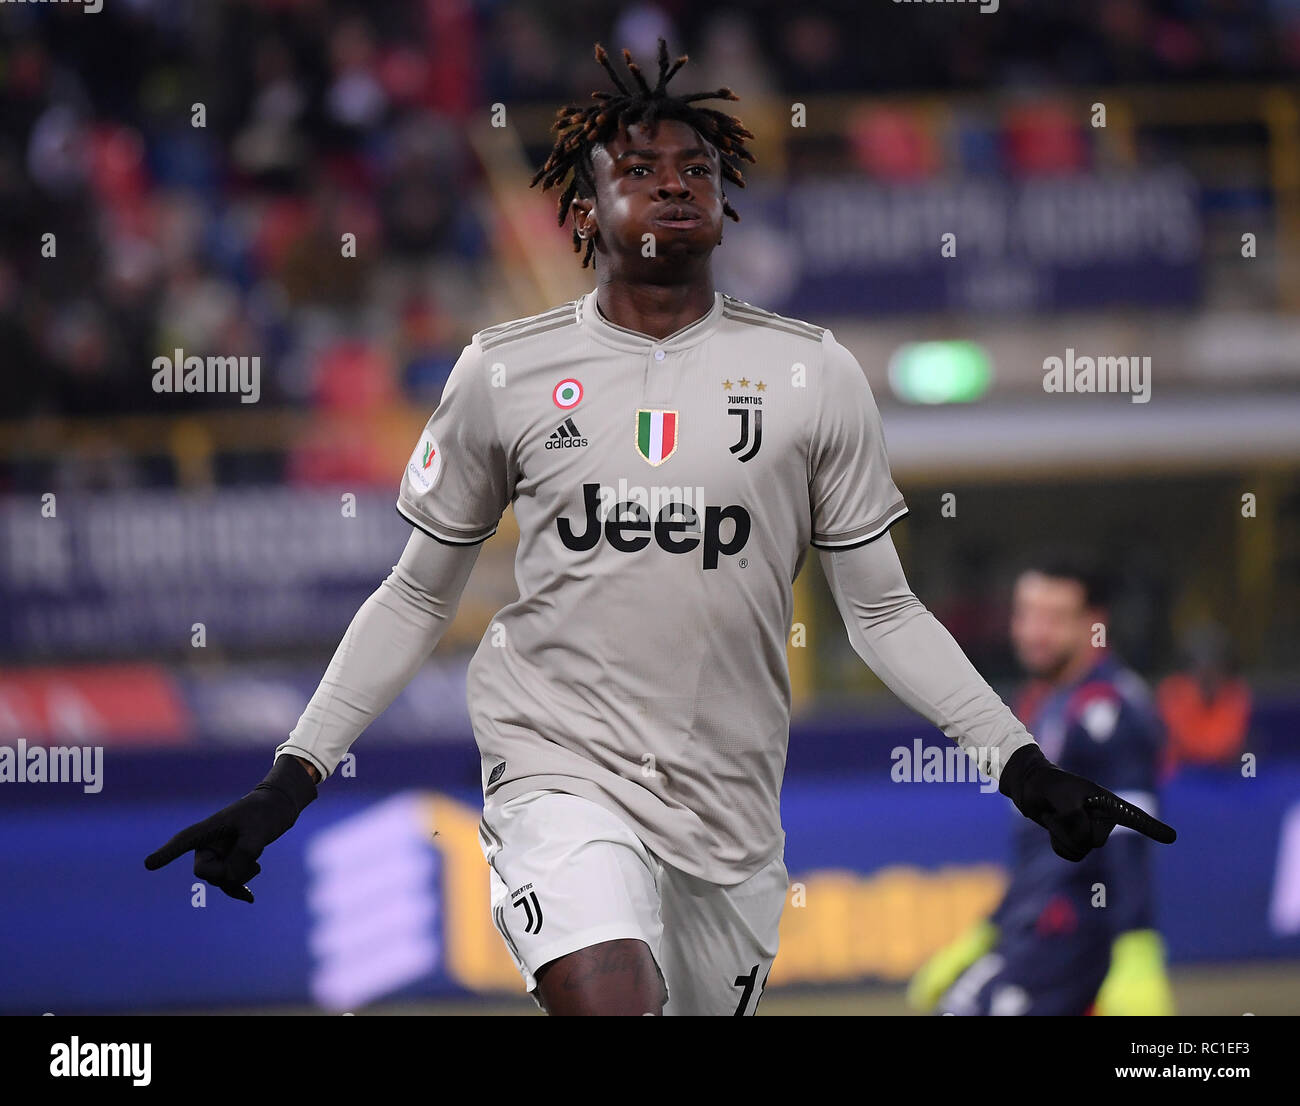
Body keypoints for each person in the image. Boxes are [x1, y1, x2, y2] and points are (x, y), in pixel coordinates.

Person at [146, 40, 1174, 1016]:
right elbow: (418, 590)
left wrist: (1020, 763)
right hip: (558, 763)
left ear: (725, 207)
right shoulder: (502, 372)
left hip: (729, 813)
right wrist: (293, 774)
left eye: (695, 167)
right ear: (585, 211)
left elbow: (882, 611)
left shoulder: (813, 375)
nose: (675, 181)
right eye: (639, 168)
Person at [909, 556, 1175, 1016]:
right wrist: (989, 931)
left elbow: (1130, 838)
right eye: (1025, 614)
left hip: (1070, 939)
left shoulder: (1111, 712)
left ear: (1094, 623)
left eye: (1053, 618)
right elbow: (1038, 852)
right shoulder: (1043, 705)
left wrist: (1137, 947)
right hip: (1029, 931)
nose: (1033, 631)